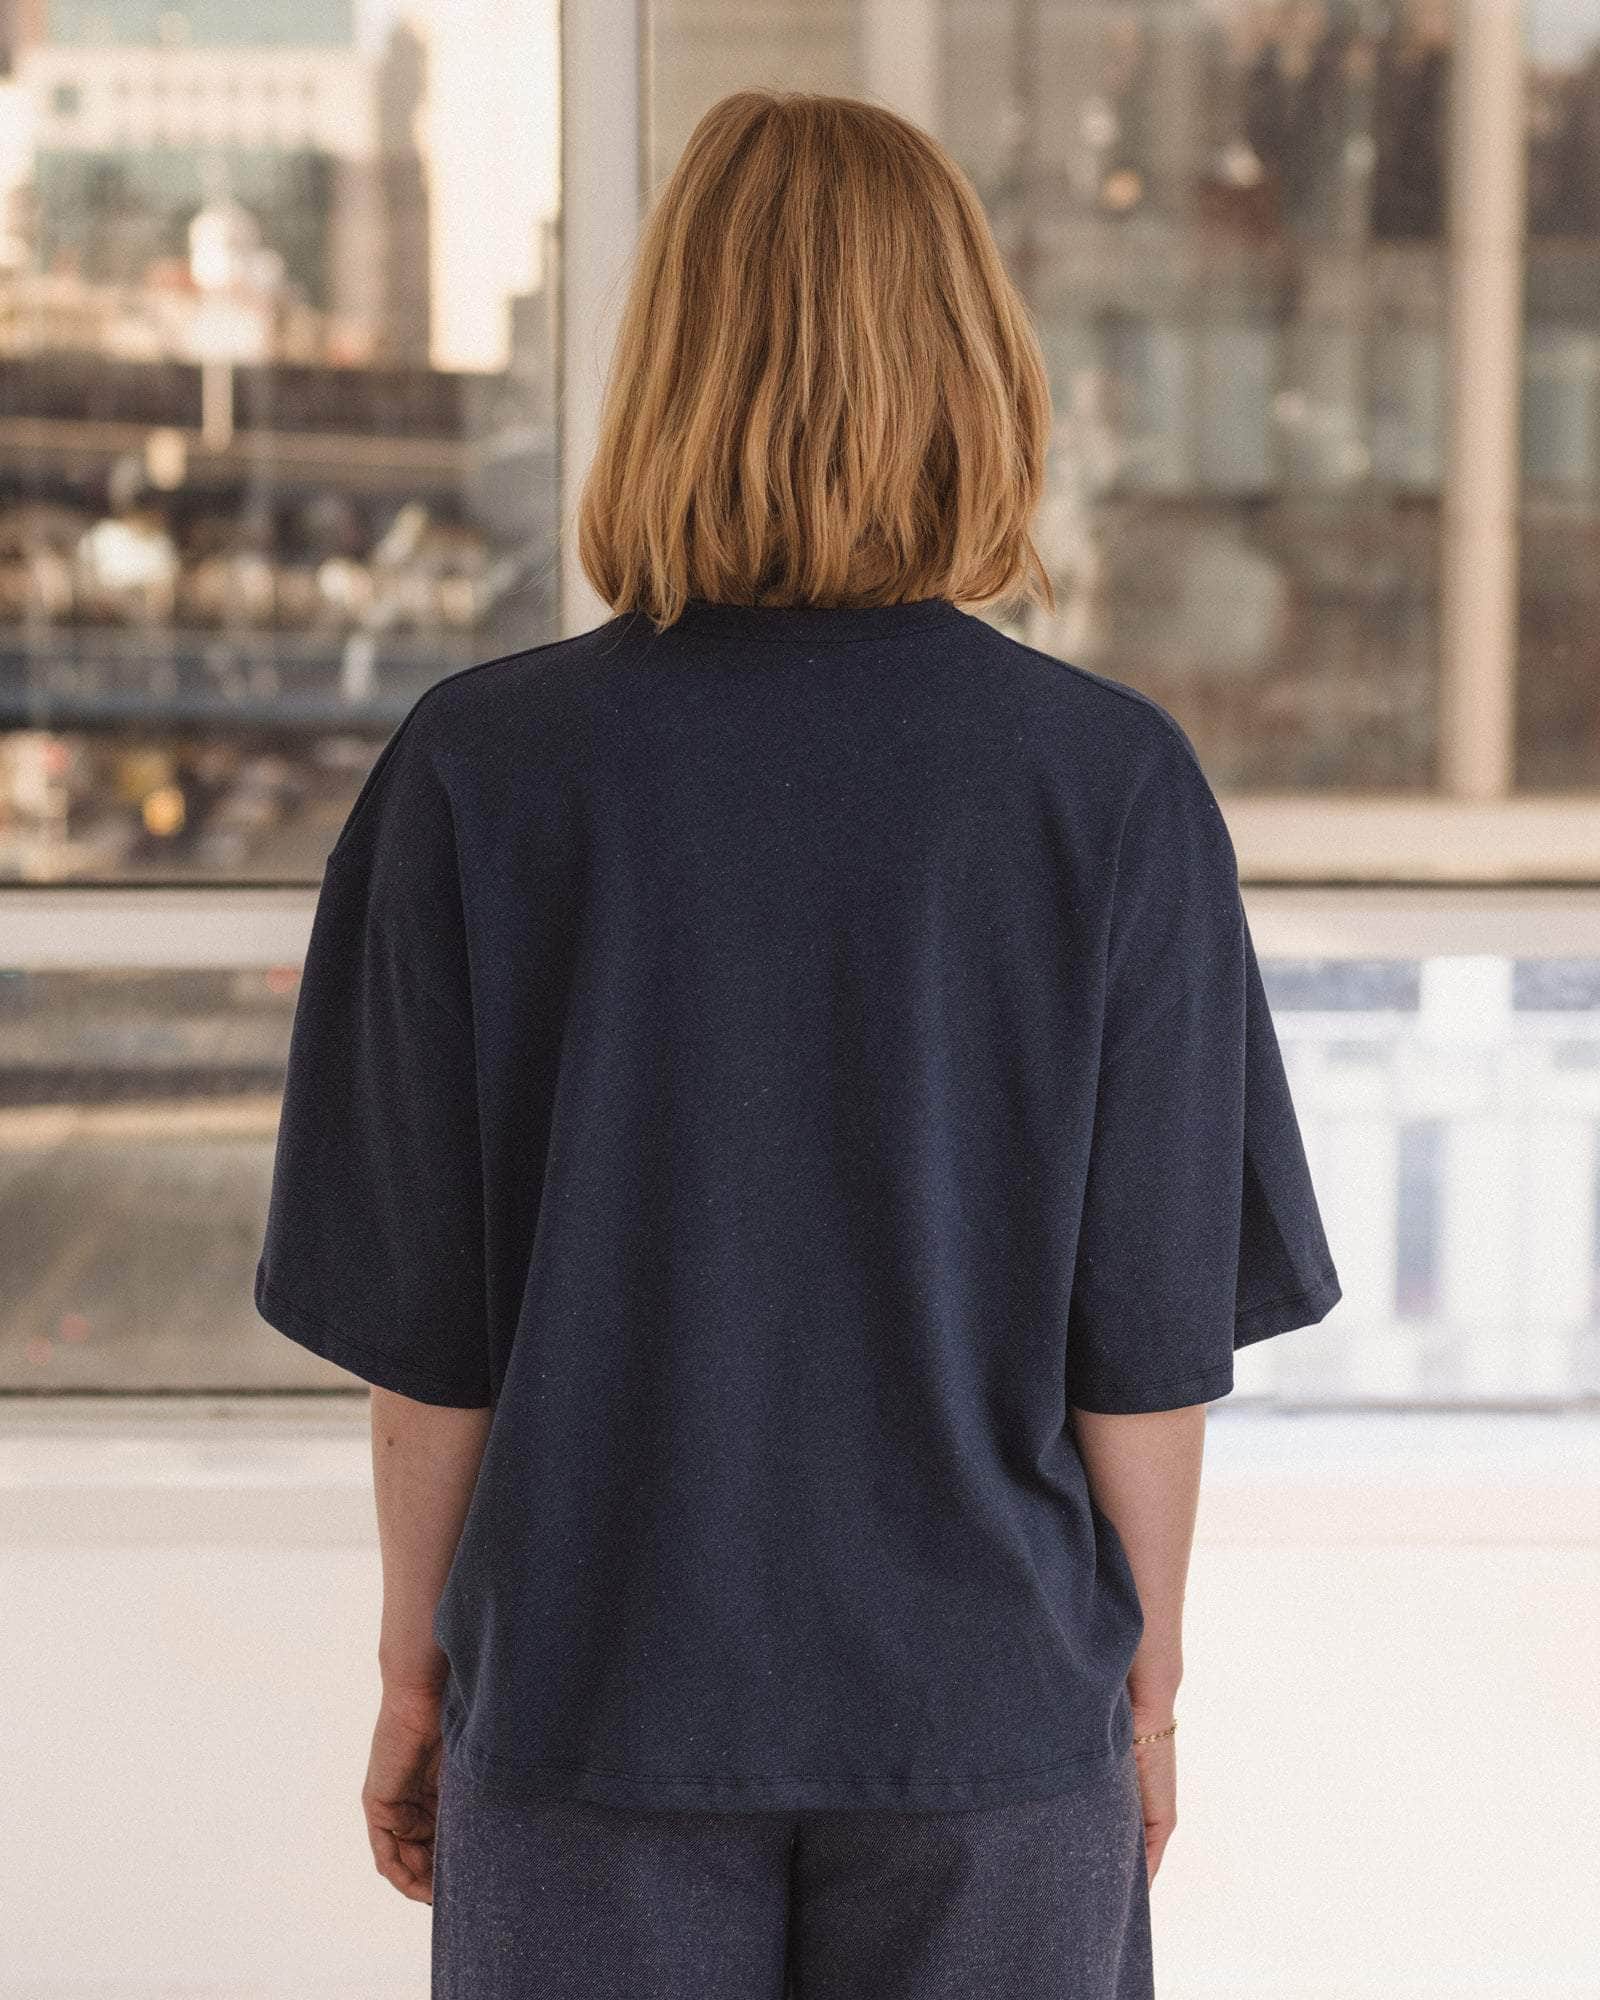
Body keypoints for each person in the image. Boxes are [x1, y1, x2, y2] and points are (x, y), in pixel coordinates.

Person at [255, 87, 1341, 2000]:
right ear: (977, 376)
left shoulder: (480, 773)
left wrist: (414, 1674)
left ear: (660, 373)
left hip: (589, 1705)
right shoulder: (1108, 790)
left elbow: (431, 1347)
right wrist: (1145, 1687)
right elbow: (1144, 1346)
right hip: (990, 1726)